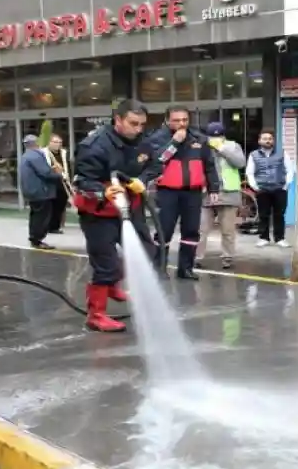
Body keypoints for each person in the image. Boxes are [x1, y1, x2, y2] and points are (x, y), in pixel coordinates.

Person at [72, 99, 160, 333]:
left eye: (142, 124)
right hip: (99, 211)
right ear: (118, 120)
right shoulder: (94, 145)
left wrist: (142, 180)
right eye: (133, 123)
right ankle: (96, 315)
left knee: (146, 250)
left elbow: (155, 165)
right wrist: (103, 191)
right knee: (105, 262)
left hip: (130, 206)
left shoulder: (142, 140)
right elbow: (81, 181)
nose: (139, 129)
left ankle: (112, 285)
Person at [147, 105, 220, 280]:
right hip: (167, 192)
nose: (181, 124)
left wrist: (214, 188)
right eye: (176, 120)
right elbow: (159, 160)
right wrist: (174, 142)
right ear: (167, 120)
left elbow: (209, 165)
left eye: (185, 120)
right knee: (164, 231)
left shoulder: (199, 138)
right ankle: (159, 268)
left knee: (191, 231)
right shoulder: (157, 138)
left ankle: (185, 269)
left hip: (193, 193)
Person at [196, 121, 246, 270]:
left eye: (219, 136)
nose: (215, 139)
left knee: (228, 229)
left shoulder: (232, 146)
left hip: (229, 193)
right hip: (206, 192)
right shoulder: (202, 147)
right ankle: (196, 257)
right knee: (201, 228)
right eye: (212, 136)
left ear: (224, 136)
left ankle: (227, 258)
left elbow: (240, 163)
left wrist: (222, 149)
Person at [246, 128, 294, 248]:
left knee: (279, 214)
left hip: (279, 188)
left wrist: (286, 185)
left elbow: (290, 169)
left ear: (273, 141)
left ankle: (280, 238)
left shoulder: (282, 153)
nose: (268, 141)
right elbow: (249, 172)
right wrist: (255, 187)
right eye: (265, 139)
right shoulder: (253, 155)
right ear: (259, 141)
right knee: (263, 214)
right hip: (262, 189)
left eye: (270, 139)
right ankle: (264, 237)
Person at [19, 134, 62, 249]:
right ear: (36, 143)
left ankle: (34, 238)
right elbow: (45, 173)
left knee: (36, 215)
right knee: (42, 216)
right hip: (41, 192)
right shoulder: (35, 156)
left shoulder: (26, 156)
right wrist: (59, 175)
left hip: (33, 191)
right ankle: (37, 239)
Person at [45, 133, 70, 234]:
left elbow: (68, 167)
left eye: (60, 142)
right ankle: (47, 226)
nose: (58, 144)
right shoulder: (44, 153)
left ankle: (55, 226)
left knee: (60, 205)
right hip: (50, 183)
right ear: (49, 143)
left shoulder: (63, 153)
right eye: (55, 142)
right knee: (50, 206)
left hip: (63, 183)